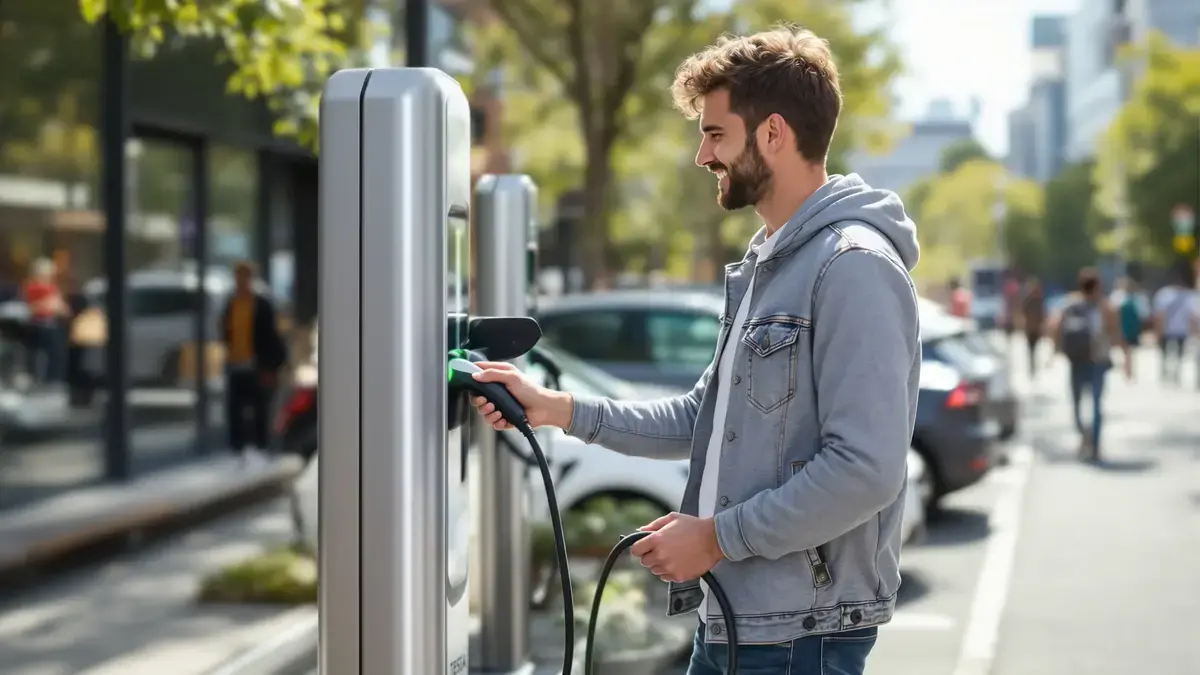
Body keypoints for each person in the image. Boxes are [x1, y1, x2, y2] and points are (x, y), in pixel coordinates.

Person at [472, 27, 920, 675]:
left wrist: (713, 537)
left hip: (798, 637)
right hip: (737, 620)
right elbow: (700, 421)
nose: (701, 155)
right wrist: (555, 408)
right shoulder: (770, 263)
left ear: (772, 134)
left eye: (715, 133)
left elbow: (865, 469)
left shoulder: (853, 267)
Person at [1049, 267, 1130, 462]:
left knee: (1077, 404)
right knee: (1095, 404)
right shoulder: (1105, 307)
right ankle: (1094, 444)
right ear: (1098, 286)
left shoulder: (1069, 305)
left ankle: (1086, 436)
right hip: (1098, 361)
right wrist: (1127, 357)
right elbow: (1116, 333)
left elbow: (1055, 328)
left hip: (1076, 361)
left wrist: (1057, 351)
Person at [220, 261, 287, 467]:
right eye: (238, 276)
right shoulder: (231, 304)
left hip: (256, 364)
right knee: (235, 408)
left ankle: (261, 447)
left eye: (244, 276)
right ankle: (237, 449)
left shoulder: (261, 304)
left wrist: (270, 366)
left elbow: (271, 337)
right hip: (235, 363)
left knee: (259, 407)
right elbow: (226, 330)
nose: (240, 281)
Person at [21, 257, 68, 384]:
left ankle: (54, 377)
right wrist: (48, 305)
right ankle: (49, 378)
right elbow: (33, 308)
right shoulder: (33, 287)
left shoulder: (52, 287)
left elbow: (61, 307)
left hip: (52, 323)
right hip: (38, 324)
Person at [1151, 267, 1196, 384]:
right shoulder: (1187, 295)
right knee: (1172, 354)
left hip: (1173, 329)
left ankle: (1169, 374)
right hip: (1177, 329)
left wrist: (1158, 330)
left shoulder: (1165, 294)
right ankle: (1172, 374)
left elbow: (1159, 315)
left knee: (1169, 354)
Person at [1020, 276, 1045, 379]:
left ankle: (1034, 366)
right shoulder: (1028, 301)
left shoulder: (1038, 301)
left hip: (1036, 329)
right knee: (1031, 349)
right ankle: (1032, 367)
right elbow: (1023, 314)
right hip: (1030, 329)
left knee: (1036, 348)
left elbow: (1042, 315)